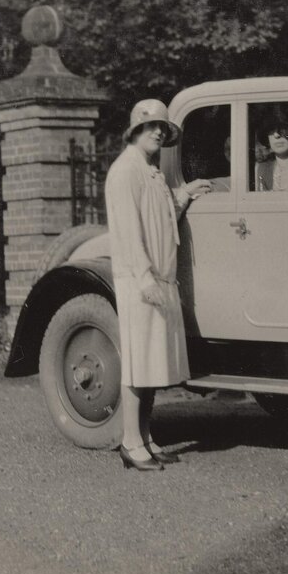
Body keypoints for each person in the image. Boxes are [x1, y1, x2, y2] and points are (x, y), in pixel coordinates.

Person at [105, 99, 211, 471]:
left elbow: (163, 216)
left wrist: (186, 192)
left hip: (160, 278)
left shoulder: (151, 172)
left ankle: (146, 438)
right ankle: (130, 443)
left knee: (151, 364)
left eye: (162, 128)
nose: (158, 133)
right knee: (138, 365)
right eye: (151, 126)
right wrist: (145, 279)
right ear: (135, 130)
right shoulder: (125, 171)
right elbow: (129, 231)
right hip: (140, 280)